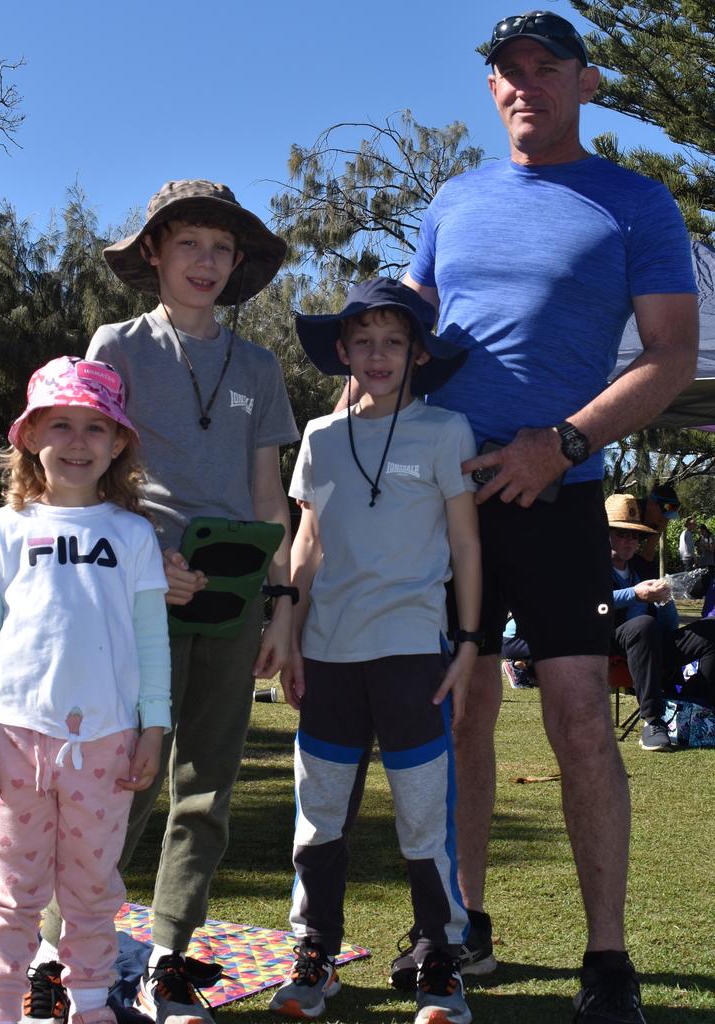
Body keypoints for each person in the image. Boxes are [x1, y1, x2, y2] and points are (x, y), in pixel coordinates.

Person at [399, 10, 699, 1022]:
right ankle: (459, 927)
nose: (525, 83)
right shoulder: (453, 200)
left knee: (578, 717)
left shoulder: (635, 202)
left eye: (545, 66)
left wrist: (561, 444)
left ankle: (607, 957)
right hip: (447, 499)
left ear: (586, 81)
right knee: (454, 712)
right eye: (507, 70)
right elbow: (405, 333)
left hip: (563, 494)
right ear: (492, 90)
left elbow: (666, 355)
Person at [37, 180, 298, 1024]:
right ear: (154, 254)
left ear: (239, 263)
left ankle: (170, 958)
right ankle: (57, 950)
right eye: (188, 244)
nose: (206, 263)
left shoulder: (258, 366)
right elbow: (88, 466)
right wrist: (148, 555)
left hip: (231, 592)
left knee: (207, 784)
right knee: (122, 774)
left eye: (221, 249)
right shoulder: (116, 344)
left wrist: (280, 604)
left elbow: (270, 498)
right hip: (130, 584)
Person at [271, 278, 480, 1024]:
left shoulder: (447, 430)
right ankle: (315, 955)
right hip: (327, 655)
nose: (379, 354)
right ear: (342, 352)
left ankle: (439, 960)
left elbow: (464, 542)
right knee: (320, 814)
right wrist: (288, 633)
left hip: (413, 655)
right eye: (364, 341)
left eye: (395, 341)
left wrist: (467, 640)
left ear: (418, 353)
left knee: (422, 819)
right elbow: (308, 541)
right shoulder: (321, 438)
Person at [0, 356, 171, 1024]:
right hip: (13, 739)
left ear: (119, 444)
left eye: (95, 428)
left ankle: (92, 1003)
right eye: (61, 425)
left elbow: (151, 641)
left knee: (92, 887)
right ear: (28, 437)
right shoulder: (0, 529)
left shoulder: (134, 535)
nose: (78, 442)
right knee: (14, 890)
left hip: (106, 744)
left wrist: (153, 728)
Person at [607, 493, 715, 751]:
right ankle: (653, 721)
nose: (630, 541)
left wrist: (664, 602)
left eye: (635, 536)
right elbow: (589, 603)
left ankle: (696, 705)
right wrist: (635, 593)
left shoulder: (641, 568)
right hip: (606, 643)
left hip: (649, 641)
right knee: (643, 625)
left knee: (710, 630)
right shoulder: (589, 566)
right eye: (622, 534)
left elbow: (667, 626)